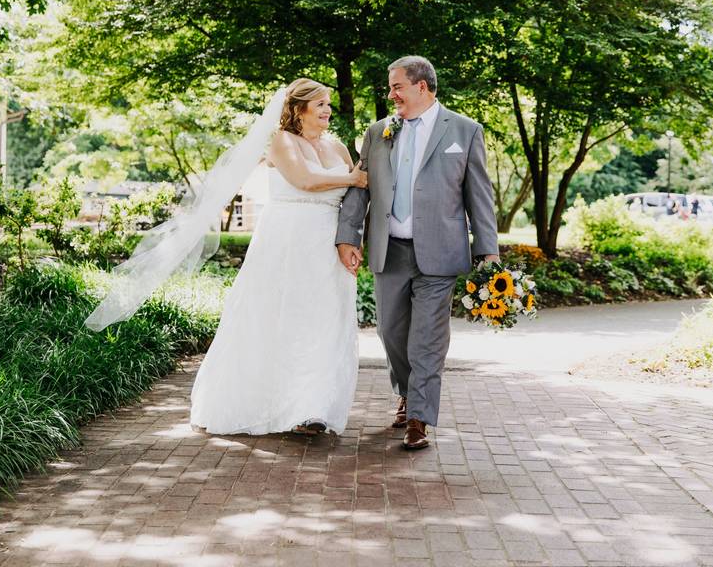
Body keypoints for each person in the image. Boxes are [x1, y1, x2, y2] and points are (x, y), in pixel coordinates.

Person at [336, 56, 499, 451]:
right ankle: (406, 392)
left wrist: (488, 251)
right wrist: (347, 237)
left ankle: (419, 417)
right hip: (388, 249)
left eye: (397, 87)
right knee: (391, 331)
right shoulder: (378, 133)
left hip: (440, 253)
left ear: (421, 86)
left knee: (427, 338)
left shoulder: (464, 130)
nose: (391, 94)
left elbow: (479, 196)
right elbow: (361, 187)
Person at [189, 79, 367, 435]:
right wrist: (355, 178)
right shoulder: (283, 141)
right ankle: (272, 404)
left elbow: (352, 199)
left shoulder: (339, 149)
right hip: (288, 241)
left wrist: (353, 239)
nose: (328, 111)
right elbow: (304, 180)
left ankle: (312, 408)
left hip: (327, 244)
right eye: (320, 105)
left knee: (324, 323)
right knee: (281, 319)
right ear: (299, 109)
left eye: (329, 104)